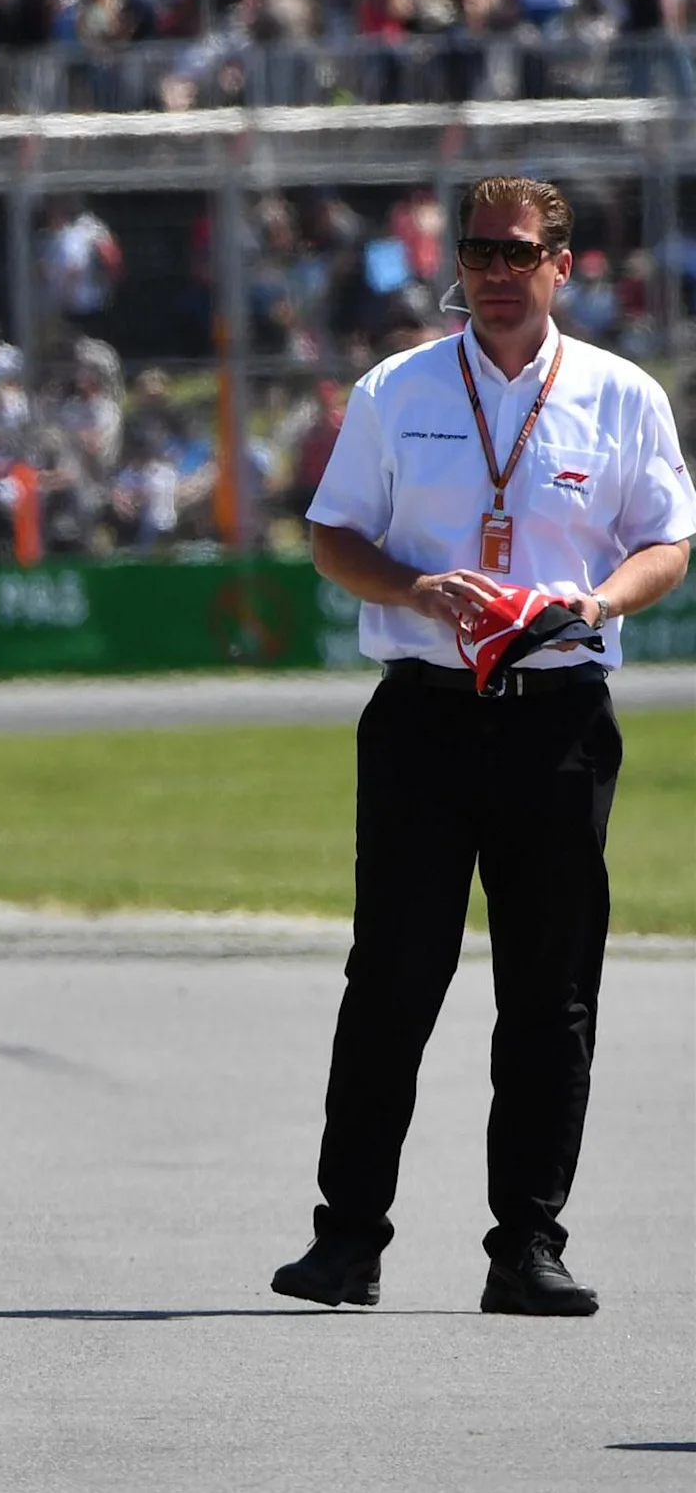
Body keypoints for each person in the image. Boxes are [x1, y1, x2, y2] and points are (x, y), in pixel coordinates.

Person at [276, 176, 693, 1317]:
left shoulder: (618, 394)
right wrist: (414, 586)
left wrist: (596, 604)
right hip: (420, 709)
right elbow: (328, 532)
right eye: (477, 252)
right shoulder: (395, 386)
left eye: (517, 252)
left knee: (549, 990)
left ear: (563, 265)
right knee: (389, 979)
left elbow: (667, 540)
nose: (495, 272)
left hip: (556, 713)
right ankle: (345, 1241)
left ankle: (526, 1247)